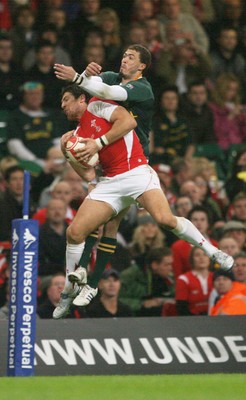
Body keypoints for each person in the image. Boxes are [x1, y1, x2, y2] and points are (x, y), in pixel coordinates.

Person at [53, 84, 234, 319]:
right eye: (61, 103)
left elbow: (129, 122)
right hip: (109, 182)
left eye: (66, 99)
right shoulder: (76, 136)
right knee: (74, 233)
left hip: (137, 172)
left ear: (81, 99)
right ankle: (69, 289)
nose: (63, 106)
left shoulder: (99, 105)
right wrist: (68, 153)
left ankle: (212, 251)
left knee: (165, 220)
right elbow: (88, 174)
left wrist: (98, 143)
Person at [54, 44, 155, 305]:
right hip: (108, 166)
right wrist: (88, 75)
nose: (124, 59)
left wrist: (78, 77)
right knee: (94, 221)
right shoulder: (81, 127)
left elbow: (108, 95)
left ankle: (91, 282)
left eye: (131, 57)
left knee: (110, 224)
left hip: (132, 160)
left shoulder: (138, 90)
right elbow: (87, 174)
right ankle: (82, 277)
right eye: (123, 55)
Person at [119, 247, 175, 317]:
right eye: (167, 265)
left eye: (171, 264)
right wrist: (142, 303)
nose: (170, 268)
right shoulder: (130, 276)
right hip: (134, 317)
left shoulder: (170, 277)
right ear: (154, 265)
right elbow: (116, 300)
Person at [175, 246, 214, 316]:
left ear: (209, 259)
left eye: (205, 255)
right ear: (192, 259)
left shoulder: (217, 278)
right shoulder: (184, 279)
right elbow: (181, 307)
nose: (201, 258)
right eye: (197, 255)